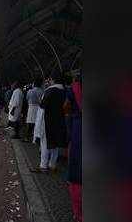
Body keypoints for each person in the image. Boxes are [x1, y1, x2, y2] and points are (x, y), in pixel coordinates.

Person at [31, 72, 67, 173]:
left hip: (47, 121)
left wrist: (38, 127)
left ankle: (43, 165)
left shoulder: (49, 91)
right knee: (55, 144)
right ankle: (53, 164)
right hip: (59, 121)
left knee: (45, 143)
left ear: (52, 79)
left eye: (50, 79)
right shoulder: (64, 90)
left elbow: (42, 108)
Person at [66, 74, 82, 222]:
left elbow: (66, 110)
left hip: (79, 131)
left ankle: (78, 214)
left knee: (77, 175)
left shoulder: (74, 89)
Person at [24, 77, 44, 142]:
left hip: (30, 108)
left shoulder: (30, 91)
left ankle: (26, 137)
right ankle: (35, 138)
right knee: (37, 123)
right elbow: (42, 101)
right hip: (38, 108)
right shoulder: (41, 91)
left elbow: (27, 99)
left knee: (29, 123)